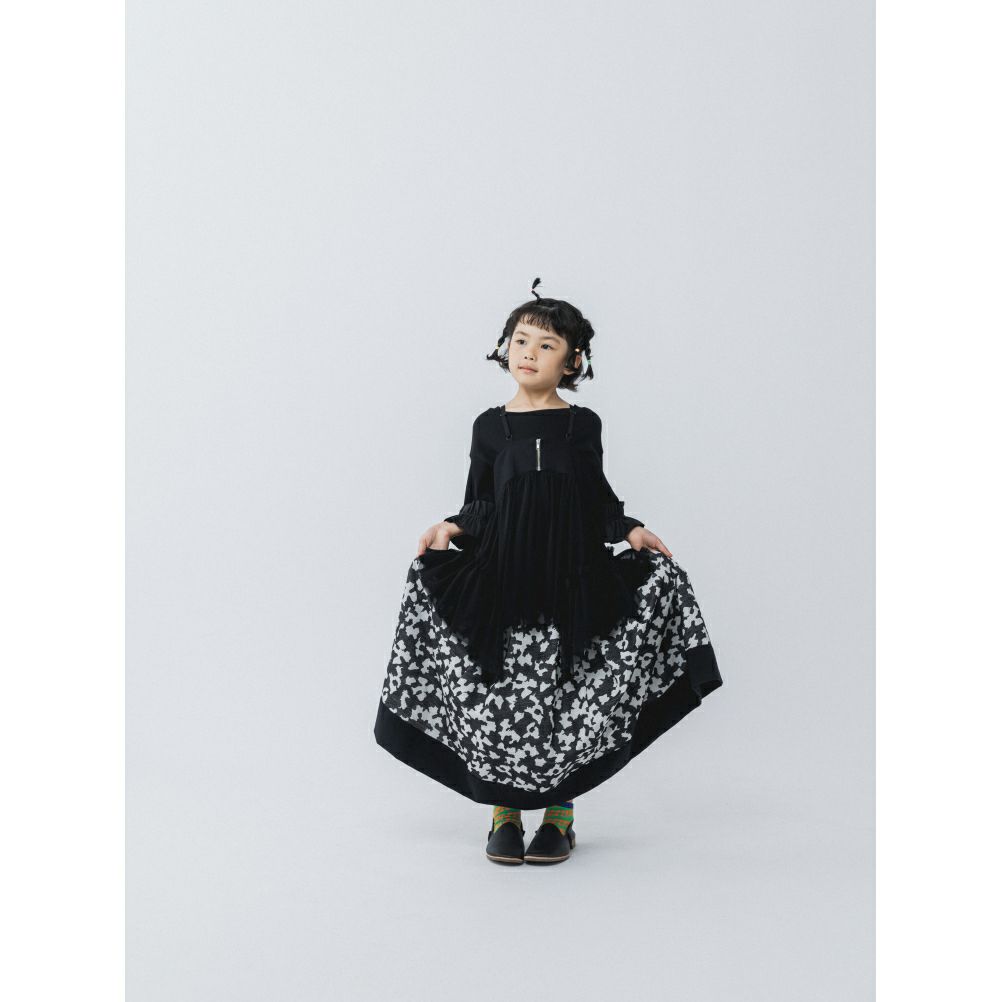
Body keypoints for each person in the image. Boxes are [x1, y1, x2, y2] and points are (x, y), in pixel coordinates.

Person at [373, 277, 722, 865]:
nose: (529, 352)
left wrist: (630, 530)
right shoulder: (489, 426)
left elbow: (596, 498)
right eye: (520, 340)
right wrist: (450, 527)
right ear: (505, 347)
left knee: (562, 696)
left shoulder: (582, 425)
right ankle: (503, 814)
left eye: (546, 344)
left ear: (572, 361)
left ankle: (560, 816)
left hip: (571, 579)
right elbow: (480, 502)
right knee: (501, 697)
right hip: (502, 578)